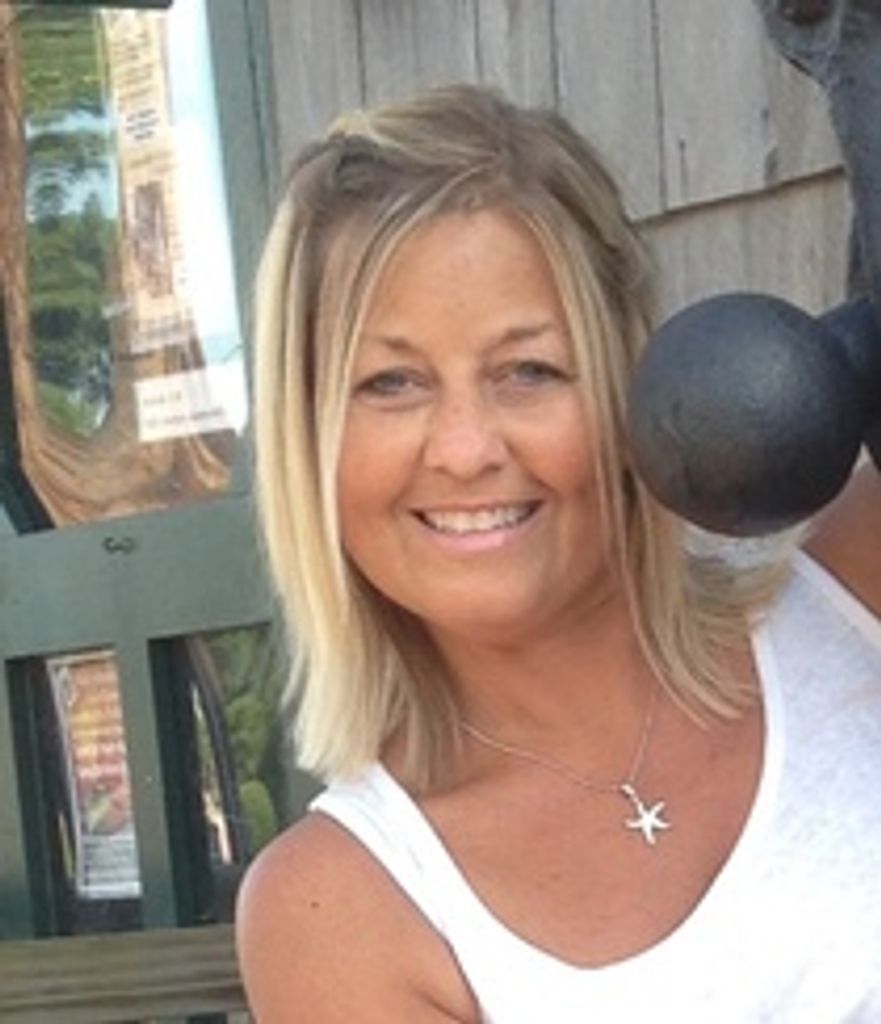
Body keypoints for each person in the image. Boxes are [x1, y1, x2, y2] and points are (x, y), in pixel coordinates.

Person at [236, 83, 881, 1022]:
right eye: (390, 383)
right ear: (309, 441)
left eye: (528, 370)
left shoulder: (855, 597)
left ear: (631, 382)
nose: (465, 449)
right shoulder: (339, 910)